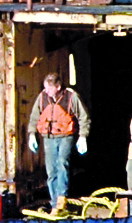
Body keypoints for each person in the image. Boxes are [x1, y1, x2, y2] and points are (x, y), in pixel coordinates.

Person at [27, 71, 89, 203]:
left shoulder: (71, 97)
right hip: (48, 138)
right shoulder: (42, 97)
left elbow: (84, 117)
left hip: (65, 136)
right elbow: (34, 116)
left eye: (49, 88)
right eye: (45, 87)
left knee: (62, 164)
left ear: (58, 87)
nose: (47, 91)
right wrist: (32, 134)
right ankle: (54, 202)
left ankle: (62, 198)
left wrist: (83, 136)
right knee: (51, 170)